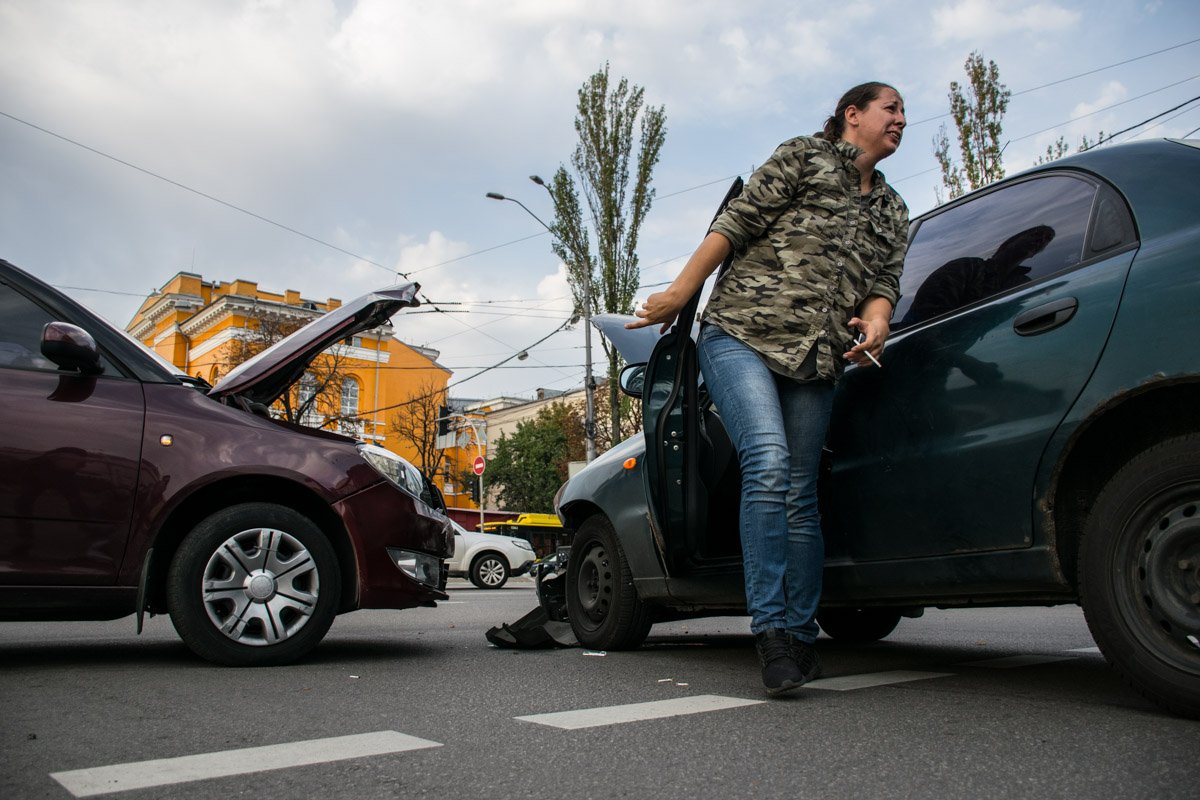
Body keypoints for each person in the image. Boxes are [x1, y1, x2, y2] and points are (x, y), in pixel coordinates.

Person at [627, 82, 909, 695]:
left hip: (816, 358)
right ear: (852, 115)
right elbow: (737, 222)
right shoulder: (803, 157)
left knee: (802, 494)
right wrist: (678, 292)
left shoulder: (893, 209)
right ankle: (772, 629)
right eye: (892, 109)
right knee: (770, 462)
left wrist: (880, 319)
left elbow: (884, 281)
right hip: (742, 334)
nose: (901, 120)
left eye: (904, 113)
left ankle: (803, 635)